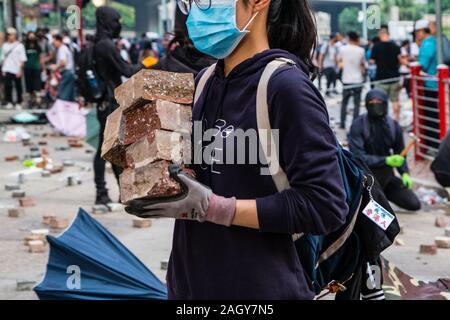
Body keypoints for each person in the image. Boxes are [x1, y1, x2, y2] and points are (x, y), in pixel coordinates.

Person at [125, 0, 348, 299]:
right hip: (190, 288)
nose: (196, 11)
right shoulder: (203, 83)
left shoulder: (287, 88)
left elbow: (325, 205)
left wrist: (216, 208)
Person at [93, 6, 144, 205]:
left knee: (113, 147)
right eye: (116, 21)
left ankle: (122, 192)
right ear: (107, 22)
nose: (119, 26)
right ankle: (102, 192)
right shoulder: (105, 45)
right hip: (108, 102)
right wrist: (148, 63)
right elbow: (125, 69)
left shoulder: (99, 43)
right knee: (106, 148)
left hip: (105, 101)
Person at [349, 89, 421, 212]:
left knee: (413, 203)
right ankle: (375, 198)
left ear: (385, 104)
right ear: (366, 104)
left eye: (378, 101)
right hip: (365, 178)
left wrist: (404, 173)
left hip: (387, 177)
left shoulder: (393, 125)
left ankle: (382, 195)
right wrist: (386, 160)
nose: (375, 104)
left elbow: (400, 153)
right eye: (371, 102)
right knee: (370, 210)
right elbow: (357, 156)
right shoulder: (358, 124)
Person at [416, 19, 439, 152]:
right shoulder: (436, 41)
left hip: (430, 86)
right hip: (436, 85)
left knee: (431, 116)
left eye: (417, 32)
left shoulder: (428, 43)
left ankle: (433, 145)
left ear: (422, 31)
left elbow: (421, 65)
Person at [370, 26, 402, 121]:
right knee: (395, 101)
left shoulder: (376, 46)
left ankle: (382, 120)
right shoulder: (396, 46)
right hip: (394, 78)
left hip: (381, 79)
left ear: (381, 35)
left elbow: (371, 61)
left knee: (380, 101)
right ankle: (396, 120)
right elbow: (399, 61)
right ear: (388, 35)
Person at [338, 31, 365, 129]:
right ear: (357, 39)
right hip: (358, 80)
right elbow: (362, 65)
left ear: (349, 38)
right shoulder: (361, 50)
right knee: (356, 104)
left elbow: (339, 62)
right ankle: (355, 124)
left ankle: (342, 123)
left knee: (344, 102)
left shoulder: (342, 49)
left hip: (346, 80)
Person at [1, 27, 27, 110]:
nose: (9, 36)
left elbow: (23, 59)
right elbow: (3, 58)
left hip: (16, 69)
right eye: (8, 35)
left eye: (11, 35)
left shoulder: (20, 46)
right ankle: (9, 101)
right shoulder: (5, 45)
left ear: (15, 35)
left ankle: (19, 102)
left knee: (18, 86)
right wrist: (3, 69)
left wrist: (20, 70)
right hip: (7, 68)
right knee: (8, 86)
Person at [52, 34, 75, 102]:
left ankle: (62, 109)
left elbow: (63, 62)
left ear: (58, 41)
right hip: (69, 73)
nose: (53, 43)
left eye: (54, 41)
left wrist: (55, 67)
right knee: (69, 94)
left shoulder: (62, 49)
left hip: (67, 73)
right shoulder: (63, 48)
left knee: (63, 94)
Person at [24, 32, 43, 108]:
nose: (31, 38)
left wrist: (42, 67)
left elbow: (41, 57)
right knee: (29, 86)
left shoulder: (38, 47)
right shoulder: (25, 46)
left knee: (37, 86)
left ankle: (38, 102)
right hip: (27, 68)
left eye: (33, 36)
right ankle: (30, 102)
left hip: (36, 68)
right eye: (30, 36)